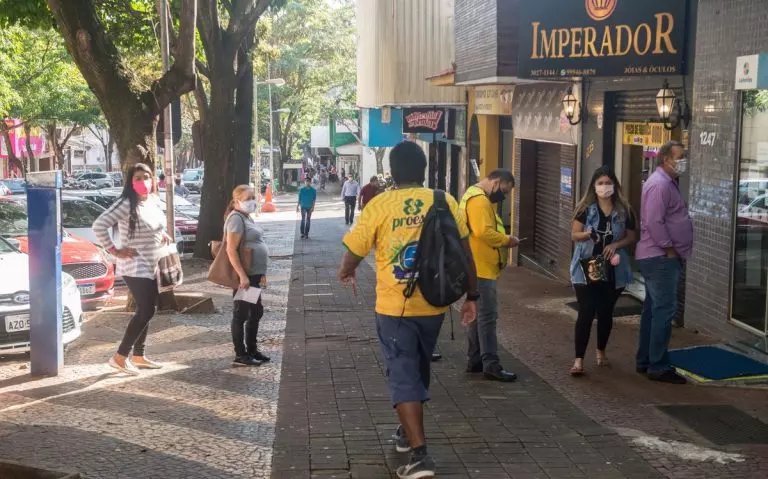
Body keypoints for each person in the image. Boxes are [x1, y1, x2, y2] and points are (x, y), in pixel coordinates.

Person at [339, 141, 478, 479]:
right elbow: (465, 252)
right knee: (418, 368)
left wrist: (346, 271)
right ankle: (405, 432)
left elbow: (354, 250)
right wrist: (472, 297)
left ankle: (420, 456)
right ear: (423, 170)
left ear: (392, 173)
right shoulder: (444, 200)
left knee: (402, 376)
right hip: (434, 304)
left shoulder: (380, 205)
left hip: (394, 308)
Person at [93, 163, 173, 375]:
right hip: (134, 266)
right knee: (147, 309)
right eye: (138, 178)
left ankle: (139, 355)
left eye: (147, 176)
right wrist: (114, 250)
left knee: (146, 309)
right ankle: (120, 356)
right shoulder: (125, 203)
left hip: (152, 263)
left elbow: (154, 225)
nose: (143, 181)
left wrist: (162, 235)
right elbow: (99, 225)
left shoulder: (152, 201)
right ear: (130, 182)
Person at [569, 166, 637, 376]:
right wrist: (587, 234)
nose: (604, 187)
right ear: (594, 186)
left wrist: (616, 245)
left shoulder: (624, 210)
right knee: (586, 310)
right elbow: (574, 234)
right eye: (600, 183)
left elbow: (632, 236)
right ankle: (578, 360)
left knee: (606, 311)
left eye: (608, 183)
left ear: (615, 185)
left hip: (612, 266)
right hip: (588, 264)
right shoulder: (585, 209)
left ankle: (601, 352)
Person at [635, 141, 693, 384]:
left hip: (658, 257)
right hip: (660, 258)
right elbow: (654, 222)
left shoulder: (666, 183)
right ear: (667, 159)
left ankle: (646, 360)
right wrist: (669, 249)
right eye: (680, 156)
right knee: (664, 310)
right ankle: (657, 365)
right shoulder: (659, 185)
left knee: (653, 309)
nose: (683, 161)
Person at [459, 168, 519, 382]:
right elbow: (483, 231)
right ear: (496, 182)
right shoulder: (479, 200)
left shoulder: (472, 195)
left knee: (478, 316)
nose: (504, 196)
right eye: (505, 190)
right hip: (481, 268)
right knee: (487, 317)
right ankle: (491, 364)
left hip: (478, 266)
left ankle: (475, 359)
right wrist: (507, 240)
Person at [224, 185, 271, 367]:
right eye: (248, 198)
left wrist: (261, 273)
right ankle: (240, 354)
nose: (252, 201)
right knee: (241, 314)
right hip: (245, 277)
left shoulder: (246, 216)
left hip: (254, 275)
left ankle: (252, 349)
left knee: (256, 312)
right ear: (237, 201)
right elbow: (231, 250)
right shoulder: (236, 218)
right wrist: (242, 276)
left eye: (253, 197)